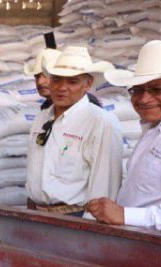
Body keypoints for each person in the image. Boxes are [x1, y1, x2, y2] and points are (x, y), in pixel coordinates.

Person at [87, 38, 161, 234]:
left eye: (158, 89)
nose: (143, 98)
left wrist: (125, 215)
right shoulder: (155, 127)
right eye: (137, 89)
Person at [25, 46, 123, 216]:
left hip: (74, 217)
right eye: (56, 80)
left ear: (88, 84)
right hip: (35, 214)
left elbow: (104, 186)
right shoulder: (41, 118)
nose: (62, 88)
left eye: (72, 82)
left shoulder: (100, 122)